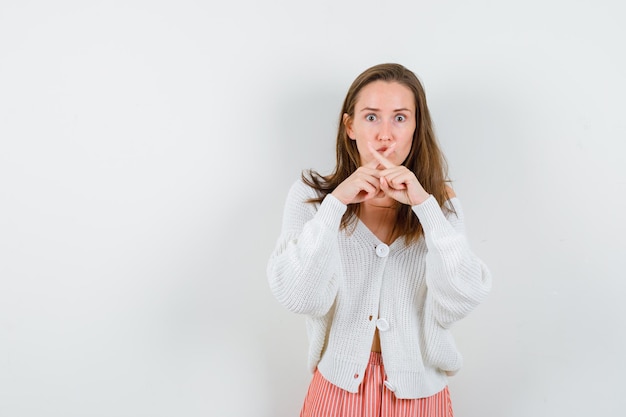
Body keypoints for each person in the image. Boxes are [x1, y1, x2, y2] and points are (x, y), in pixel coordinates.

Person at [267, 63, 492, 417]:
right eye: (371, 117)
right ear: (350, 126)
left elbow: (460, 300)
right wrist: (335, 204)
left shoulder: (438, 203)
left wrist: (425, 208)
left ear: (416, 128)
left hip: (421, 398)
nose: (385, 135)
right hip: (336, 394)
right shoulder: (311, 198)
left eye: (400, 118)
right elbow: (299, 297)